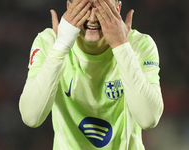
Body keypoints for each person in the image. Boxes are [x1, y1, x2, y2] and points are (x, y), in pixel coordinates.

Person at [19, 0, 164, 149]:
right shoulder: (49, 42)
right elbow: (31, 117)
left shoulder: (139, 45)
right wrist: (61, 45)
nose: (93, 18)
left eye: (102, 7)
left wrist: (121, 45)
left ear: (117, 9)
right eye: (85, 6)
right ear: (70, 7)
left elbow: (149, 119)